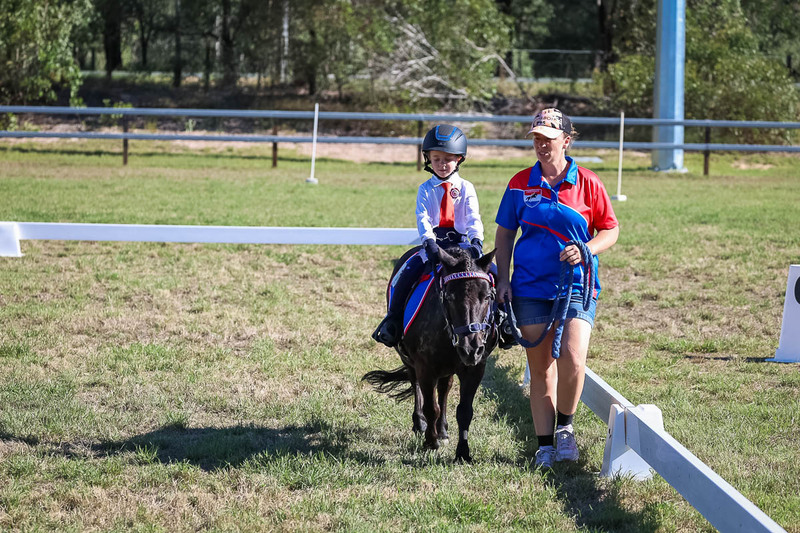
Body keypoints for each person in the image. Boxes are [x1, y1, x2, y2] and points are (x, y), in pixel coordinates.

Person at [494, 108, 620, 469]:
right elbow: (505, 232)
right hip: (530, 287)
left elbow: (610, 230)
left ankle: (566, 427)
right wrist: (503, 278)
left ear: (566, 141)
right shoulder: (519, 183)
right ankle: (545, 446)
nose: (540, 145)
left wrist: (586, 249)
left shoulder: (589, 182)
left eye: (548, 139)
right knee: (541, 369)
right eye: (536, 138)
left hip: (577, 286)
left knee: (573, 359)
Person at [372, 124, 485, 348]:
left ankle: (504, 322)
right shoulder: (425, 189)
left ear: (459, 159)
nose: (442, 165)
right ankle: (392, 319)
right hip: (435, 246)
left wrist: (476, 241)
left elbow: (473, 217)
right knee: (405, 273)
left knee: (493, 274)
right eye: (436, 159)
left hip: (462, 245)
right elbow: (422, 218)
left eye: (447, 159)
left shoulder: (466, 188)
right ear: (428, 159)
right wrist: (429, 242)